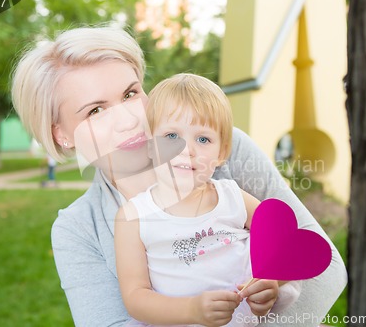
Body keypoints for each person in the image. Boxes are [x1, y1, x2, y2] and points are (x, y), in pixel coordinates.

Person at [11, 24, 347, 327]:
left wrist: (276, 286)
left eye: (130, 93)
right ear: (62, 134)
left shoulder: (222, 151)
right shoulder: (78, 229)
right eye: (96, 110)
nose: (128, 119)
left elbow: (323, 266)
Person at [115, 73, 301, 326]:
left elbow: (285, 245)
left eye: (203, 139)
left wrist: (270, 282)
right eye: (171, 136)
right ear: (149, 145)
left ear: (222, 152)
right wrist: (192, 309)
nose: (186, 150)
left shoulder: (233, 198)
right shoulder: (133, 217)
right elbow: (135, 298)